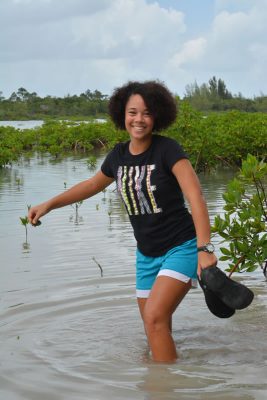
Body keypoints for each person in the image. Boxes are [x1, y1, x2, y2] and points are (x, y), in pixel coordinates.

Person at [28, 80, 217, 363]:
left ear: (158, 117)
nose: (139, 119)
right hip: (146, 255)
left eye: (147, 113)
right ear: (122, 114)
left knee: (154, 318)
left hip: (182, 247)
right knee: (154, 326)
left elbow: (196, 197)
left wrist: (205, 250)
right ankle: (168, 379)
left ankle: (162, 389)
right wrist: (50, 204)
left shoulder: (168, 150)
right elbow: (92, 185)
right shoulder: (118, 155)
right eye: (132, 112)